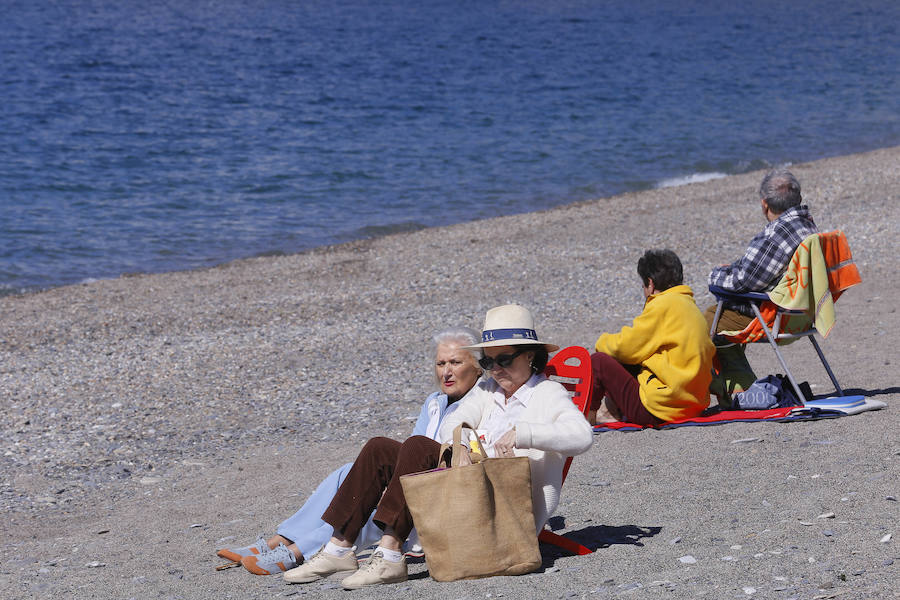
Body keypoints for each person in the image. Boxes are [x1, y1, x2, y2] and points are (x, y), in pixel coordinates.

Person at [282, 304, 593, 589]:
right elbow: (451, 425)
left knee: (417, 447)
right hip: (468, 481)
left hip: (504, 504)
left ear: (529, 356)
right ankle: (339, 547)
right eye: (488, 361)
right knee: (380, 449)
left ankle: (390, 553)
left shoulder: (548, 393)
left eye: (505, 359)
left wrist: (524, 434)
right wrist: (470, 443)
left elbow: (582, 436)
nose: (496, 369)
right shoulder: (488, 390)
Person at [215, 326, 484, 576]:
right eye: (441, 363)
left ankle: (299, 552)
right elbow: (413, 446)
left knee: (374, 502)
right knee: (348, 473)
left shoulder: (482, 401)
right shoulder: (434, 402)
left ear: (478, 367)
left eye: (455, 363)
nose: (446, 372)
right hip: (419, 476)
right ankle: (280, 540)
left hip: (443, 491)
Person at [705, 168, 819, 400]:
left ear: (765, 204)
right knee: (721, 319)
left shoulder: (778, 233)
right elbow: (759, 271)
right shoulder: (808, 226)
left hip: (774, 316)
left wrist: (715, 276)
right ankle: (740, 387)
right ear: (797, 199)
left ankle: (708, 388)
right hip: (804, 314)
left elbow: (743, 280)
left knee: (701, 324)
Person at [589, 249, 715, 426]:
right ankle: (609, 411)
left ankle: (589, 415)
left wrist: (601, 341)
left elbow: (625, 347)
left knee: (600, 361)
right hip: (693, 405)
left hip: (662, 410)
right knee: (636, 356)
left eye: (643, 285)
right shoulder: (689, 305)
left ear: (650, 283)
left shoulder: (663, 304)